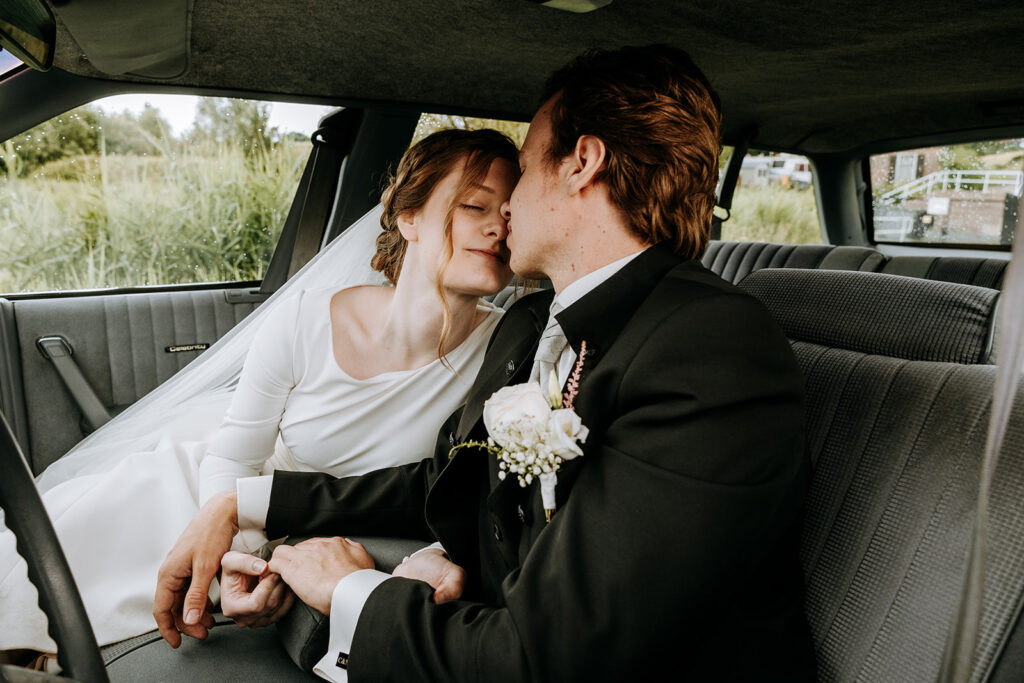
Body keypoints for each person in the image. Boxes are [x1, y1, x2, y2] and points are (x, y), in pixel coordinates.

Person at [157, 45, 816, 681]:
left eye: (523, 172)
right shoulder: (535, 325)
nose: (506, 210)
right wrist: (246, 502)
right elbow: (452, 480)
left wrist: (353, 589)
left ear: (581, 163)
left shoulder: (708, 347)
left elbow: (552, 655)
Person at [0, 128, 520, 655]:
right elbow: (232, 456)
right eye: (474, 204)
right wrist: (237, 552)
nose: (497, 225)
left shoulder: (508, 346)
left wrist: (436, 550)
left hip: (312, 531)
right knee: (31, 587)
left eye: (510, 211)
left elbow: (476, 487)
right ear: (409, 217)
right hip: (207, 493)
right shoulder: (308, 318)